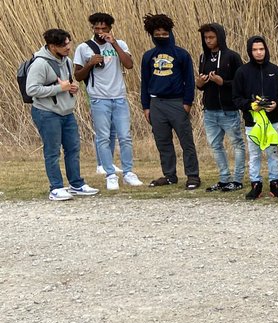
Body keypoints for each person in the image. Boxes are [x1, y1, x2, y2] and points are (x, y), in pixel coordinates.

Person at [27, 28, 99, 200]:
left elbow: (67, 83)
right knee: (52, 152)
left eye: (69, 43)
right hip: (46, 113)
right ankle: (56, 188)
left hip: (67, 112)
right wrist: (61, 88)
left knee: (73, 149)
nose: (68, 47)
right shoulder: (40, 63)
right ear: (52, 46)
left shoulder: (66, 60)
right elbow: (32, 89)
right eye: (64, 45)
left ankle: (76, 184)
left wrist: (71, 88)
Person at [72, 12, 141, 190]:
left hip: (119, 96)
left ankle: (128, 173)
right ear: (92, 28)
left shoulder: (120, 44)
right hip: (98, 98)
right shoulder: (84, 48)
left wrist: (114, 43)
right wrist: (90, 63)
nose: (100, 31)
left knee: (125, 136)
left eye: (104, 28)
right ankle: (110, 174)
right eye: (97, 28)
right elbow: (77, 76)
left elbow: (129, 64)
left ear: (110, 28)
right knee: (103, 137)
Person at [140, 13, 201, 189]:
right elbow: (145, 82)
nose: (161, 37)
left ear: (170, 32)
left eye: (164, 33)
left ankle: (193, 175)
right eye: (157, 34)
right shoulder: (148, 56)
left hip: (177, 102)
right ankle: (169, 175)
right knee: (163, 141)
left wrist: (187, 103)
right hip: (156, 104)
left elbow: (189, 81)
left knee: (186, 141)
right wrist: (146, 106)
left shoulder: (181, 54)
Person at [233, 35, 278, 200]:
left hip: (272, 121)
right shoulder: (242, 72)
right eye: (255, 50)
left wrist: (276, 104)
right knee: (255, 154)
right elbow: (236, 98)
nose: (258, 53)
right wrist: (250, 105)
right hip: (253, 122)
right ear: (250, 51)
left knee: (272, 153)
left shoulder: (276, 70)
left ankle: (275, 183)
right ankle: (255, 184)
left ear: (266, 50)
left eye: (261, 49)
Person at [196, 22, 246, 192]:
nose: (208, 41)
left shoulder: (232, 56)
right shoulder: (203, 57)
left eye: (212, 37)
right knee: (216, 145)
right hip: (209, 109)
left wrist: (222, 82)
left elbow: (240, 84)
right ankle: (224, 179)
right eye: (206, 38)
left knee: (237, 144)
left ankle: (237, 179)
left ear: (220, 37)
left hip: (229, 109)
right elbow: (200, 85)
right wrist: (199, 83)